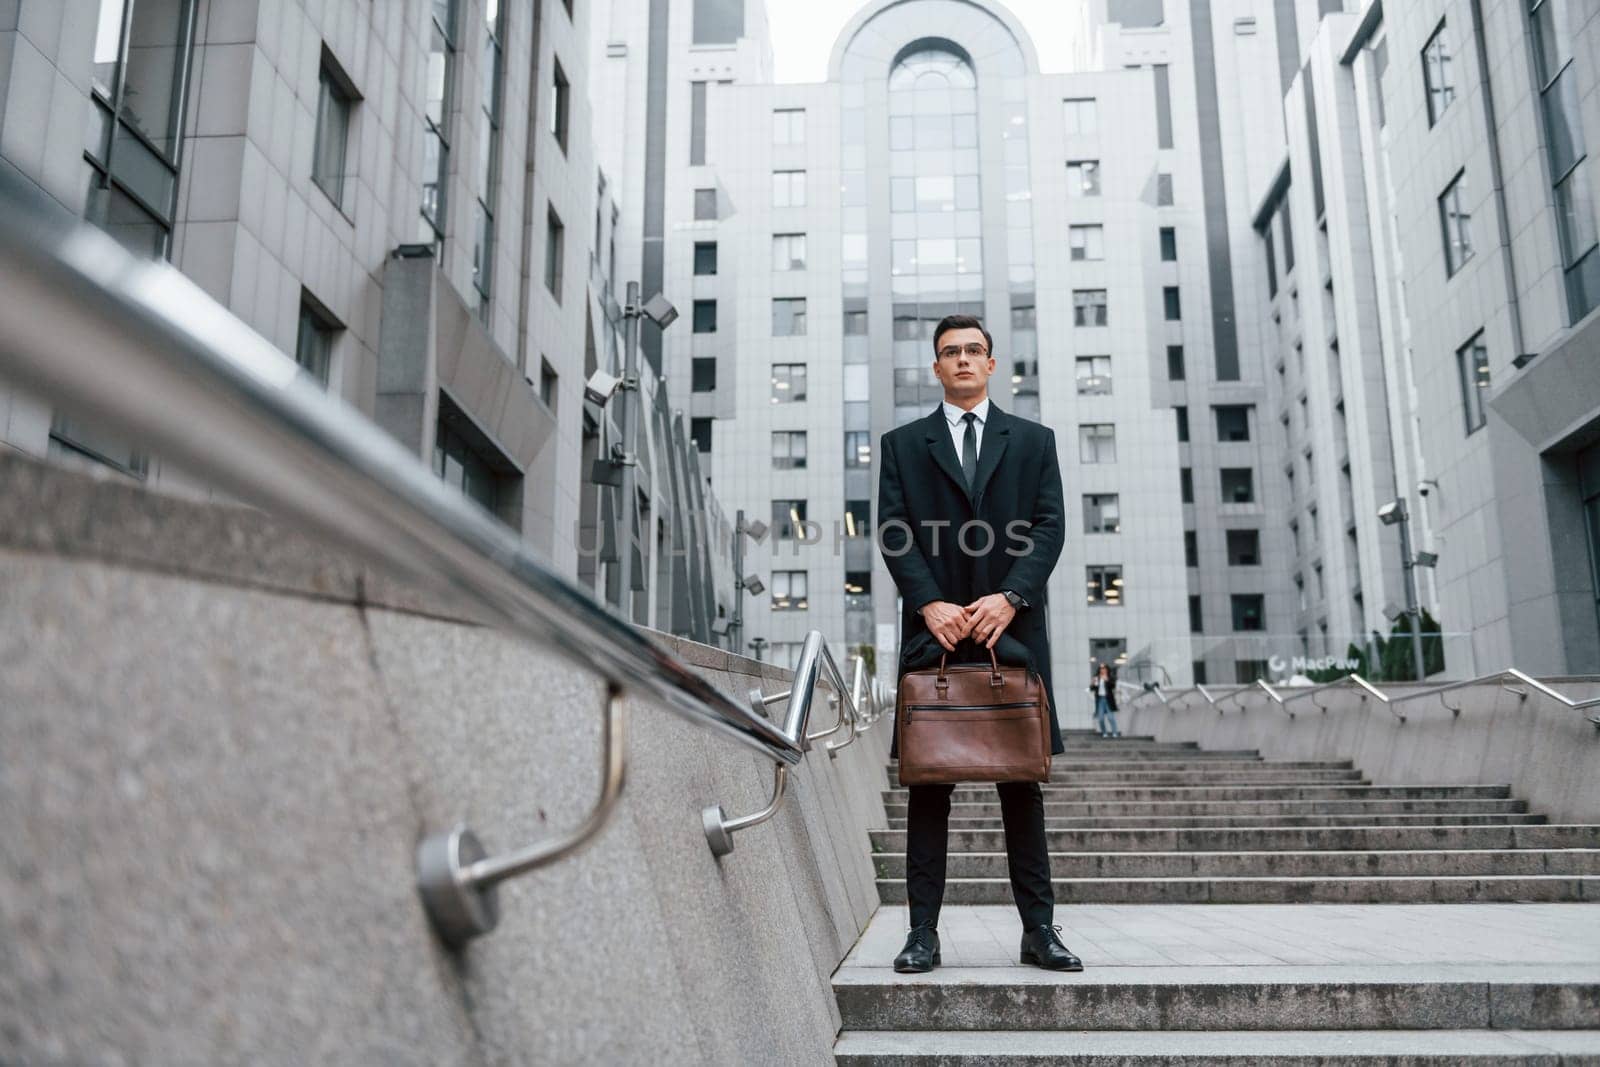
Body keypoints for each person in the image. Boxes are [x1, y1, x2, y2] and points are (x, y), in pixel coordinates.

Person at [878, 314, 1083, 975]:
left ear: (992, 364)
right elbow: (894, 529)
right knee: (927, 789)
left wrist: (1011, 595)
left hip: (1010, 634)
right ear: (935, 367)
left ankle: (1040, 931)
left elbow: (1049, 527)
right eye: (949, 352)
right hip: (933, 638)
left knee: (1022, 787)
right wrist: (929, 602)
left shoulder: (1033, 441)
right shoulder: (903, 444)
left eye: (973, 350)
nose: (962, 360)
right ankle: (921, 935)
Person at [1089, 663, 1121, 738]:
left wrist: (1107, 680)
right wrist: (1092, 683)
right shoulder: (1097, 678)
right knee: (1100, 718)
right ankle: (1104, 732)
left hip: (1108, 699)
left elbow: (1113, 686)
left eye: (1104, 669)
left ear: (1106, 670)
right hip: (1100, 699)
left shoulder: (1110, 677)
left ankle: (1115, 732)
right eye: (1101, 669)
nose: (1102, 670)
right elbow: (1092, 688)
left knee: (1111, 717)